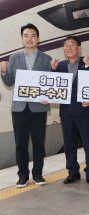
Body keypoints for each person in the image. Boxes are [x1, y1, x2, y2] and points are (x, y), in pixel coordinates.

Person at [0, 23, 53, 188]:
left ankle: (38, 174)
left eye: (32, 35)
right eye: (26, 35)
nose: (29, 39)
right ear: (22, 38)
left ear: (37, 38)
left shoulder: (46, 59)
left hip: (39, 107)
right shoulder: (14, 58)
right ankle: (22, 176)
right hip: (19, 108)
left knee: (39, 143)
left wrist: (48, 96)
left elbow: (50, 85)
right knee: (20, 144)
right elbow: (9, 82)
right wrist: (3, 71)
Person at [50, 36, 89, 184]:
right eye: (66, 45)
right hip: (66, 113)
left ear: (79, 48)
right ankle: (73, 172)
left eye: (72, 45)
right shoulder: (59, 66)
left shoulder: (87, 64)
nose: (69, 48)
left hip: (84, 112)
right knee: (69, 143)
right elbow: (52, 87)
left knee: (88, 143)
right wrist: (52, 70)